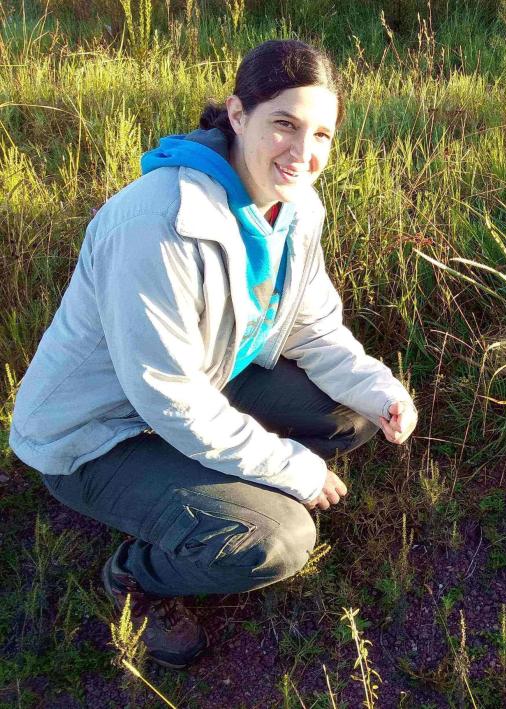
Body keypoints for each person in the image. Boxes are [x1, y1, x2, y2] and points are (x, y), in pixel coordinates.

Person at [9, 39, 417, 668]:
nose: (303, 153)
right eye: (284, 124)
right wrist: (295, 469)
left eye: (322, 135)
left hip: (204, 384)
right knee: (280, 539)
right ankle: (135, 578)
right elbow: (168, 398)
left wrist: (380, 388)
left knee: (352, 413)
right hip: (95, 434)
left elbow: (312, 326)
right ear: (237, 114)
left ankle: (204, 489)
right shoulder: (158, 222)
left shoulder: (297, 207)